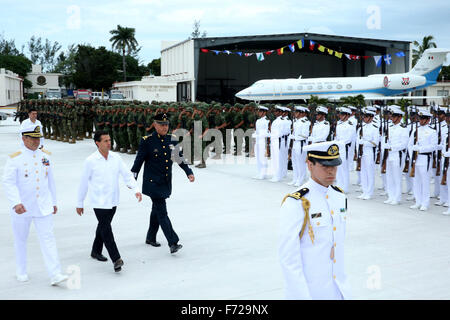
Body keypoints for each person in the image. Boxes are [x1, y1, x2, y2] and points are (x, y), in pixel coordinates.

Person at [279, 141, 350, 300]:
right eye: (325, 166)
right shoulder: (297, 202)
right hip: (312, 291)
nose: (331, 171)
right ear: (310, 164)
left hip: (338, 288)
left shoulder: (339, 197)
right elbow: (288, 258)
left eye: (334, 166)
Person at [2, 124, 68, 286]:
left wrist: (53, 202)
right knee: (21, 239)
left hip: (42, 206)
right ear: (24, 138)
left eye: (38, 138)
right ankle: (21, 270)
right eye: (33, 138)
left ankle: (55, 274)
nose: (36, 141)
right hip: (22, 207)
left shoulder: (45, 156)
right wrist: (15, 202)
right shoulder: (14, 158)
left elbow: (50, 181)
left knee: (48, 239)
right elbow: (8, 182)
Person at [76, 130, 142, 272]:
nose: (109, 143)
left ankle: (95, 251)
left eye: (109, 140)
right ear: (97, 143)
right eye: (105, 141)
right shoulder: (90, 161)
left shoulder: (115, 158)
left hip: (112, 200)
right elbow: (83, 183)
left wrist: (136, 189)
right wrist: (79, 203)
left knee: (103, 226)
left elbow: (127, 175)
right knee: (106, 229)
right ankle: (116, 258)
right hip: (98, 202)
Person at [131, 113, 195, 254]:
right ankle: (173, 242)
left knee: (157, 210)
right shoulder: (147, 141)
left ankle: (150, 237)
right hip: (153, 183)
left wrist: (188, 172)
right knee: (162, 212)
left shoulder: (172, 140)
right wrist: (132, 179)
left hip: (165, 182)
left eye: (166, 124)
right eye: (161, 124)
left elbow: (179, 158)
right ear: (155, 125)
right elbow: (138, 161)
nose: (165, 127)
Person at [408, 107, 438, 211]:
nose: (420, 120)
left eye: (422, 119)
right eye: (419, 118)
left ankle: (425, 203)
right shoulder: (416, 130)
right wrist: (412, 153)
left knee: (425, 181)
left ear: (428, 120)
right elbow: (409, 144)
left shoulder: (432, 132)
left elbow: (433, 146)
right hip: (416, 159)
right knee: (416, 181)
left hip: (425, 158)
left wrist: (420, 149)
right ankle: (418, 201)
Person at [381, 106, 408, 205]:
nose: (391, 118)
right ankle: (391, 196)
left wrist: (392, 147)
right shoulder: (390, 127)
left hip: (397, 154)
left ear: (399, 117)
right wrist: (385, 145)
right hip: (389, 154)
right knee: (389, 176)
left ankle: (397, 198)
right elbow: (384, 140)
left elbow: (404, 144)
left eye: (394, 116)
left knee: (397, 177)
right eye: (391, 116)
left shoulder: (403, 128)